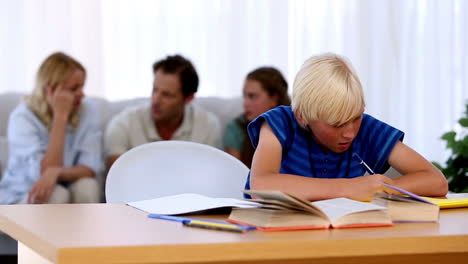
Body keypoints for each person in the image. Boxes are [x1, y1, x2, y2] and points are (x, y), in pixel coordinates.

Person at [246, 53, 448, 201]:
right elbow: (261, 185)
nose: (350, 133)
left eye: (356, 117)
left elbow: (436, 181)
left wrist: (383, 187)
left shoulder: (366, 129)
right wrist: (349, 188)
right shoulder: (278, 123)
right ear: (302, 116)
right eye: (336, 124)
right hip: (273, 240)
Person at [0, 52, 103, 204]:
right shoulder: (22, 118)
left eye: (82, 86)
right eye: (74, 89)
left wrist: (57, 172)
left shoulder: (87, 111)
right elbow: (43, 173)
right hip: (22, 195)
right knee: (56, 194)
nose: (82, 94)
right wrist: (60, 116)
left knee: (88, 186)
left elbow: (90, 169)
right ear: (50, 90)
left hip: (66, 185)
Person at [105, 54, 221, 169]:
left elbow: (209, 177)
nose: (156, 100)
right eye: (155, 90)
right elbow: (117, 178)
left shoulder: (208, 126)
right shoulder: (123, 125)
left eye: (167, 95)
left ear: (189, 98)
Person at [223, 67, 290, 167]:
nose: (245, 104)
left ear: (274, 100)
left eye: (252, 96)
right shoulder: (235, 128)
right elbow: (235, 174)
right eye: (244, 96)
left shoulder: (298, 125)